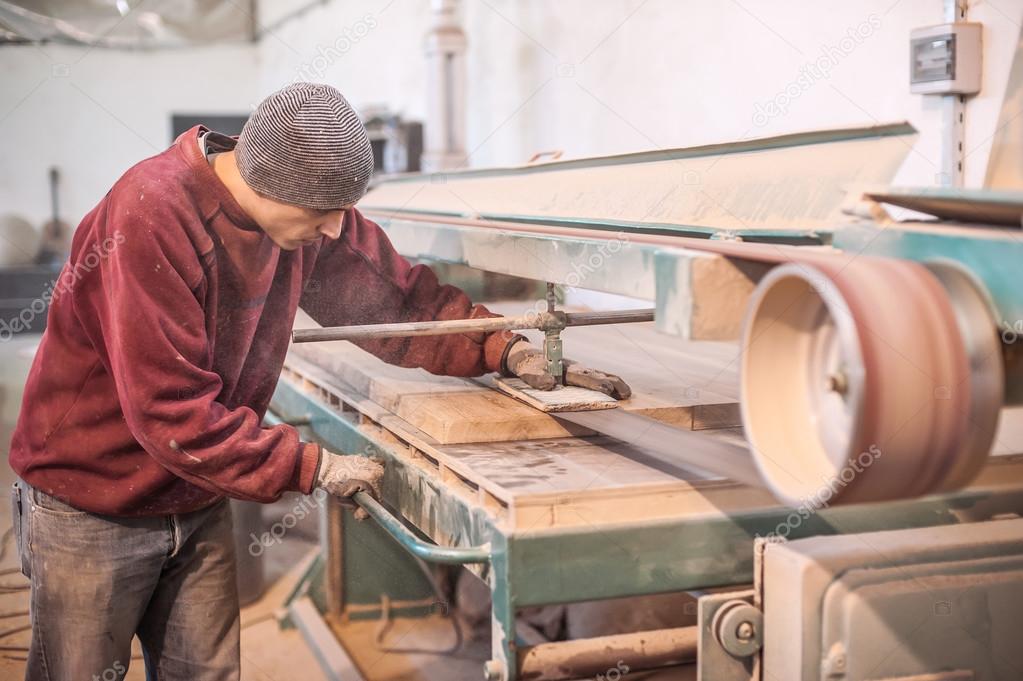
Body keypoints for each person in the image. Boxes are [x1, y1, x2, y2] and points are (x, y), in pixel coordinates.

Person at [7, 83, 629, 681]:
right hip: (91, 503)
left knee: (209, 673)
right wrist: (311, 467)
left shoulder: (308, 212)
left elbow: (399, 306)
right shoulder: (153, 214)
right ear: (262, 180)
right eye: (322, 215)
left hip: (195, 497)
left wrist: (506, 347)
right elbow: (169, 412)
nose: (333, 231)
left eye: (341, 214)